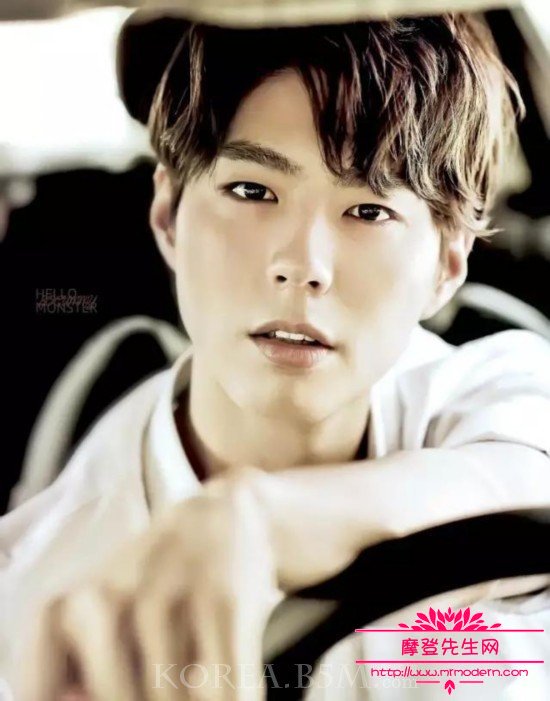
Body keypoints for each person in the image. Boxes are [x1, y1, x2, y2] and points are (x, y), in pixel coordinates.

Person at [1, 11, 550, 701]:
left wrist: (267, 519)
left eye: (369, 211)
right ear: (168, 216)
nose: (303, 265)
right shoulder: (32, 590)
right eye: (252, 191)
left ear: (447, 263)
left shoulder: (495, 390)